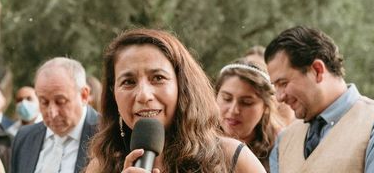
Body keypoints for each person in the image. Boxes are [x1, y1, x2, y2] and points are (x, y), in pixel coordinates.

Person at [84, 28, 264, 173]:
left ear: (182, 86)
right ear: (113, 94)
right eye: (128, 82)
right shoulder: (101, 166)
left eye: (158, 78)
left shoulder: (232, 159)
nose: (144, 95)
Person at [264, 26, 374, 173]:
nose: (279, 97)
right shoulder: (284, 140)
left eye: (283, 83)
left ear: (317, 70)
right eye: (275, 87)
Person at [10, 58, 99, 173]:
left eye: (60, 101)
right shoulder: (24, 138)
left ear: (84, 95)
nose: (52, 113)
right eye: (44, 102)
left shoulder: (109, 135)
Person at [216, 59, 281, 170]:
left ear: (265, 107)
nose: (233, 110)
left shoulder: (281, 150)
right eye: (227, 99)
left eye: (246, 102)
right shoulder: (196, 143)